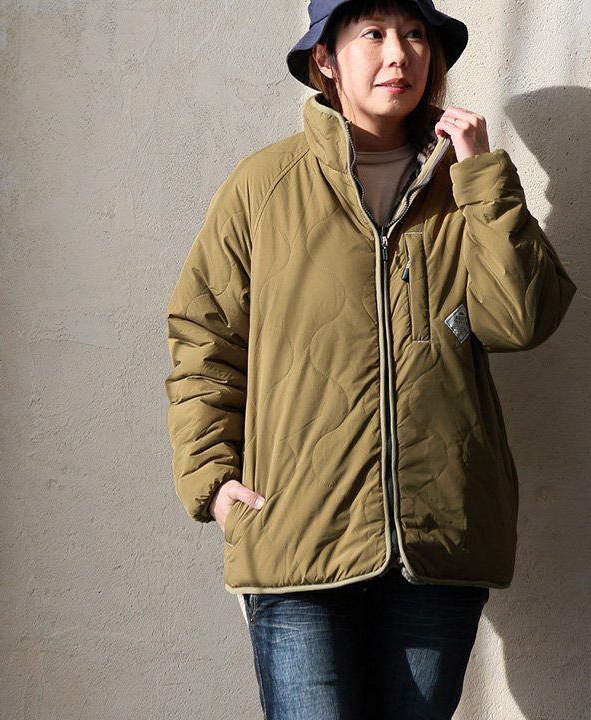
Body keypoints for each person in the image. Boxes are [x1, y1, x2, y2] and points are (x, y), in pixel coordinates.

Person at [163, 0, 577, 717]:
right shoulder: (264, 186)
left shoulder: (466, 184)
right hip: (296, 540)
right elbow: (204, 338)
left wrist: (484, 177)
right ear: (325, 58)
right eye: (374, 35)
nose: (399, 54)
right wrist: (214, 481)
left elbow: (520, 321)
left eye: (415, 35)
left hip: (438, 544)